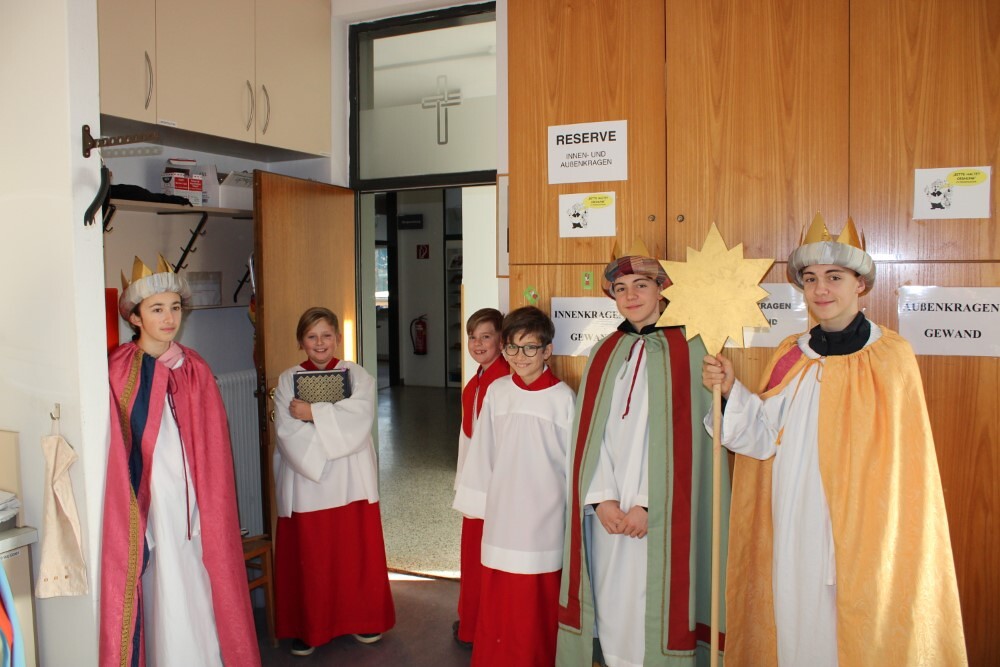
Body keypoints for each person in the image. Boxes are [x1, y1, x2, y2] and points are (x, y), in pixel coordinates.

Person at [701, 214, 968, 666]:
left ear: (860, 284)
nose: (821, 289)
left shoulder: (891, 356)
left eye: (834, 277)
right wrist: (730, 391)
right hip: (795, 523)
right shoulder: (792, 354)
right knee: (797, 629)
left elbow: (907, 464)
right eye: (810, 279)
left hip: (866, 531)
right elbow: (761, 438)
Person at [557, 240, 727, 667]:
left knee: (656, 599)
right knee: (612, 602)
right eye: (620, 288)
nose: (630, 295)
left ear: (661, 290)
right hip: (610, 514)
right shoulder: (603, 352)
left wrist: (651, 505)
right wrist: (602, 499)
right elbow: (590, 437)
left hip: (664, 513)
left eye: (641, 285)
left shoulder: (692, 349)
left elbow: (693, 440)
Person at [101, 255, 260, 667]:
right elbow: (116, 449)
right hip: (150, 501)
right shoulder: (118, 371)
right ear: (134, 317)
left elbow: (213, 443)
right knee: (164, 581)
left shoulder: (195, 367)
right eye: (157, 309)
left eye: (175, 307)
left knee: (201, 577)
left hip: (197, 498)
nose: (169, 318)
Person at [453, 306, 576, 666]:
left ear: (547, 350)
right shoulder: (498, 392)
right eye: (512, 347)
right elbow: (482, 454)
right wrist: (478, 508)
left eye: (530, 347)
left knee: (535, 603)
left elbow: (571, 465)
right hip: (503, 517)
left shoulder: (563, 398)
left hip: (543, 520)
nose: (520, 356)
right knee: (499, 600)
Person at [272, 306, 395, 657]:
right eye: (311, 336)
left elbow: (359, 418)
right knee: (312, 559)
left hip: (351, 479)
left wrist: (312, 413)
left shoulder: (357, 375)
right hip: (307, 481)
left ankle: (361, 618)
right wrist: (328, 431)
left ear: (338, 338)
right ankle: (310, 626)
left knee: (352, 554)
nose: (320, 343)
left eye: (327, 335)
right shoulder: (288, 379)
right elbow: (286, 431)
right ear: (301, 341)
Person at [452, 308, 510, 648]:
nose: (477, 344)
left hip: (492, 487)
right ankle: (472, 620)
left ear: (501, 341)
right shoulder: (477, 380)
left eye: (486, 337)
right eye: (472, 337)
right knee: (473, 556)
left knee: (486, 558)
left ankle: (482, 626)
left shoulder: (503, 382)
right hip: (475, 483)